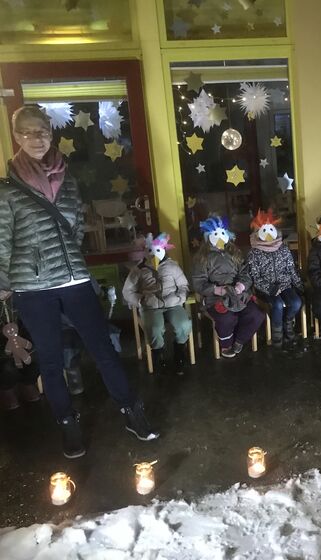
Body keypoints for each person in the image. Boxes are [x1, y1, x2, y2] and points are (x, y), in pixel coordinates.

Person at [0, 104, 159, 459]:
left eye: (42, 131)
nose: (36, 139)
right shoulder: (6, 190)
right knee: (51, 359)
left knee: (103, 348)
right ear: (17, 137)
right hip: (33, 286)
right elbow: (1, 240)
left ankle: (131, 409)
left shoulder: (68, 181)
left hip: (74, 278)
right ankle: (67, 423)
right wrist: (3, 281)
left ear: (51, 133)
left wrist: (71, 260)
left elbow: (73, 228)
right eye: (27, 132)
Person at [192, 215, 265, 358]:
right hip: (216, 297)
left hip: (238, 294)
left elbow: (245, 273)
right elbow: (199, 282)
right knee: (227, 318)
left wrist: (241, 286)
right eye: (215, 234)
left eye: (222, 233)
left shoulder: (235, 253)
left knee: (256, 314)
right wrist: (216, 290)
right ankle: (226, 344)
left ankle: (239, 341)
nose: (219, 237)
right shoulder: (202, 258)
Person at [123, 232, 191, 374]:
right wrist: (141, 300)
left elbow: (183, 286)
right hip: (151, 307)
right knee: (155, 328)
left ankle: (180, 353)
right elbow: (127, 291)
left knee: (183, 324)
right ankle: (158, 356)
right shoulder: (139, 270)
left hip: (172, 303)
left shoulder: (172, 266)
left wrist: (179, 298)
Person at [245, 209, 304, 348]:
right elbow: (255, 277)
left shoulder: (283, 249)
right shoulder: (254, 253)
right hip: (266, 288)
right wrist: (269, 288)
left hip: (285, 285)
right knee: (277, 304)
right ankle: (277, 332)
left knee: (296, 302)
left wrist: (299, 285)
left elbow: (291, 270)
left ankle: (288, 323)